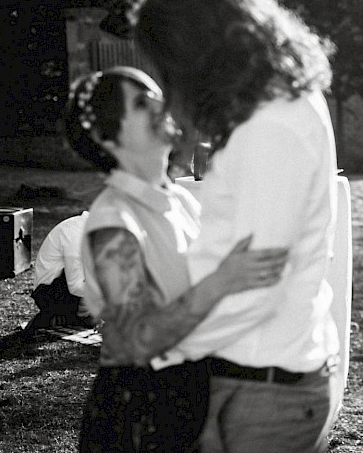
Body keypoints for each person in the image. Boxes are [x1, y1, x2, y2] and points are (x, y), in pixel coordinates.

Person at [129, 0, 341, 453]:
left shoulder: (270, 129)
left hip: (261, 389)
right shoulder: (276, 107)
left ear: (196, 53)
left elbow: (255, 288)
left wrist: (158, 347)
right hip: (257, 375)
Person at [64, 67, 290, 453]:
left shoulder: (182, 199)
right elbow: (138, 339)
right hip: (141, 415)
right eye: (140, 102)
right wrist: (224, 280)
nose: (160, 105)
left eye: (157, 94)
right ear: (106, 137)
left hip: (196, 393)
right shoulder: (113, 223)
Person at [27, 211, 93, 330]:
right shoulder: (76, 234)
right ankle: (58, 316)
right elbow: (75, 286)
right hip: (50, 294)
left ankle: (69, 317)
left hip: (69, 289)